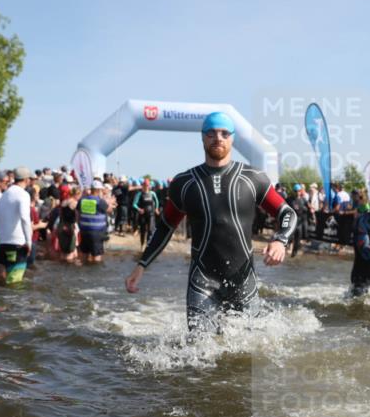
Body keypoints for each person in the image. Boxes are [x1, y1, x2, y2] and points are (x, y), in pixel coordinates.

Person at [125, 111, 297, 331]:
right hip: (201, 283)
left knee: (249, 354)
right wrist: (141, 266)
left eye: (224, 133)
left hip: (243, 280)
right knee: (199, 352)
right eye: (211, 133)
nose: (218, 138)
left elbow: (287, 213)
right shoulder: (184, 183)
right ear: (202, 137)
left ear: (233, 138)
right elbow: (165, 228)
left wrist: (280, 240)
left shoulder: (253, 178)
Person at [0, 167, 34, 285]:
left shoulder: (4, 194)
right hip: (18, 243)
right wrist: (29, 242)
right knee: (14, 283)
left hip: (3, 242)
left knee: (2, 280)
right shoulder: (23, 195)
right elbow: (25, 218)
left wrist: (0, 236)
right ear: (26, 179)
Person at [78, 180, 110, 263]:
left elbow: (78, 212)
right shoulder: (100, 201)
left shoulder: (82, 200)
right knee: (96, 256)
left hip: (84, 231)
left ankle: (82, 273)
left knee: (84, 254)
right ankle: (95, 274)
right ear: (99, 190)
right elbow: (108, 210)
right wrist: (110, 202)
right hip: (97, 232)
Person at [132, 178, 160, 248]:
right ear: (143, 185)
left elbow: (157, 201)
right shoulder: (139, 194)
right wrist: (139, 209)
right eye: (145, 185)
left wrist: (156, 208)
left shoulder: (152, 193)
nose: (146, 186)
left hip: (151, 214)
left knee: (150, 230)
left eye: (147, 185)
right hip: (143, 215)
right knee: (143, 230)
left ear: (149, 186)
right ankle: (142, 245)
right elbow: (134, 204)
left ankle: (148, 245)